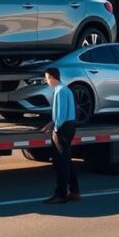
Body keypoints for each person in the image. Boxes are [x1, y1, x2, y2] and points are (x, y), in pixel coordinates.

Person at [41, 67, 80, 204]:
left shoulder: (60, 91)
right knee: (66, 160)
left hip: (63, 129)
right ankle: (75, 191)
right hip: (67, 126)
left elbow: (61, 114)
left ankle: (61, 194)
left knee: (60, 163)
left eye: (46, 78)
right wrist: (51, 123)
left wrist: (56, 129)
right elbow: (59, 114)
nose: (46, 81)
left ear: (52, 77)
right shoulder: (63, 89)